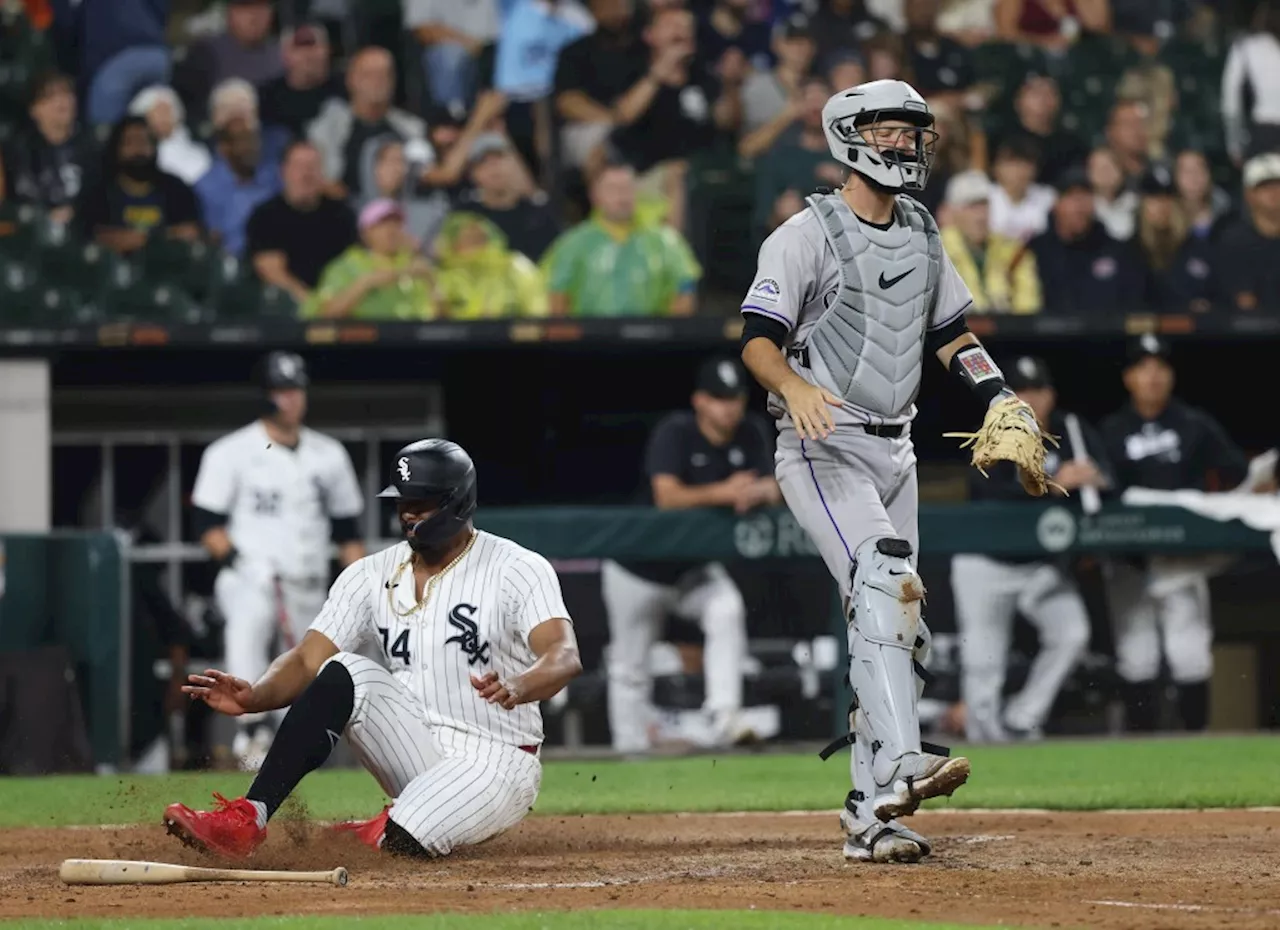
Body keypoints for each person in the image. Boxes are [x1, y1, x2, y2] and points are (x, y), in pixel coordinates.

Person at [738, 78, 1047, 863]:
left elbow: (952, 335)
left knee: (901, 628)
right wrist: (796, 386)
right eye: (889, 131)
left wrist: (1000, 397)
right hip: (822, 442)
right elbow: (756, 341)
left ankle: (871, 812)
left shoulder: (920, 227)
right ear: (848, 136)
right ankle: (907, 760)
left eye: (914, 133)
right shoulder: (805, 232)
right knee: (884, 581)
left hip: (897, 447)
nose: (906, 145)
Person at [164, 439, 582, 860]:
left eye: (422, 502)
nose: (408, 513)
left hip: (496, 758)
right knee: (345, 668)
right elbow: (308, 658)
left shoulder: (517, 567)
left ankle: (388, 825)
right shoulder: (370, 573)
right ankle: (248, 817)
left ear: (458, 501)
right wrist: (257, 695)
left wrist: (520, 683)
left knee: (408, 834)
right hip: (416, 744)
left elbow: (564, 654)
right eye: (402, 501)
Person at [189, 352, 366, 770]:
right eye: (280, 391)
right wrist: (239, 562)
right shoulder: (230, 451)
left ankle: (291, 749)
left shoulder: (330, 454)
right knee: (246, 636)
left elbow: (347, 532)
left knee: (307, 669)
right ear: (265, 397)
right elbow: (206, 525)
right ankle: (249, 735)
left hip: (306, 578)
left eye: (295, 390)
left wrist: (360, 587)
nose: (289, 400)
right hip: (251, 576)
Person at [601, 356, 778, 755]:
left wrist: (764, 491)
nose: (728, 406)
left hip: (692, 569)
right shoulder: (676, 432)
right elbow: (667, 496)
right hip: (638, 566)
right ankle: (628, 752)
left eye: (733, 397)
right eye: (718, 398)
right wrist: (727, 492)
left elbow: (775, 482)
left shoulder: (750, 432)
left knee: (726, 608)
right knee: (630, 665)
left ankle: (724, 717)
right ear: (700, 400)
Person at [951, 357, 1108, 743]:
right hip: (985, 564)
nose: (1030, 399)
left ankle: (1023, 718)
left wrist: (1097, 477)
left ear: (1050, 395)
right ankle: (984, 742)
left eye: (1037, 391)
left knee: (1071, 633)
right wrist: (1053, 483)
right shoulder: (995, 434)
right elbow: (991, 492)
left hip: (1041, 566)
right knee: (984, 662)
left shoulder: (1071, 430)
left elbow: (1110, 474)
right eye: (1020, 391)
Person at [1099, 335, 1249, 732]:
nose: (1152, 377)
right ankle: (1141, 757)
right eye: (1143, 368)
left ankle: (1196, 749)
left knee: (1191, 654)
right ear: (1129, 377)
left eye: (1160, 368)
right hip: (1129, 559)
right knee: (1137, 656)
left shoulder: (1193, 424)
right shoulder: (1113, 430)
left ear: (1171, 375)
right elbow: (1099, 492)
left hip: (1183, 558)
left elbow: (1237, 471)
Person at [246, 141, 358, 304]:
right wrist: (312, 304)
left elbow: (353, 264)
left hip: (337, 303)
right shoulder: (265, 216)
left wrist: (335, 303)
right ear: (283, 171)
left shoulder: (342, 215)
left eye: (312, 166)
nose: (306, 174)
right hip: (285, 307)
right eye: (299, 166)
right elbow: (271, 271)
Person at [78, 116, 202, 255]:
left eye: (145, 141)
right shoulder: (98, 192)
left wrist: (140, 239)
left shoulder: (176, 189)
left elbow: (190, 232)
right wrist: (164, 237)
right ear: (117, 148)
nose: (139, 149)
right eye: (130, 142)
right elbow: (94, 237)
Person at [307, 199, 437, 320]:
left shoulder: (416, 266)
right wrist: (366, 283)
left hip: (415, 342)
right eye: (382, 224)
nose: (391, 230)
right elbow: (324, 316)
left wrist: (431, 282)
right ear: (365, 232)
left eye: (396, 224)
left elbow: (444, 324)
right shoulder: (344, 267)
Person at [938, 170, 1042, 314]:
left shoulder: (1013, 252)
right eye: (972, 207)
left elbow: (1028, 306)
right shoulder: (936, 252)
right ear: (952, 212)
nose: (981, 215)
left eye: (984, 205)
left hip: (1009, 334)